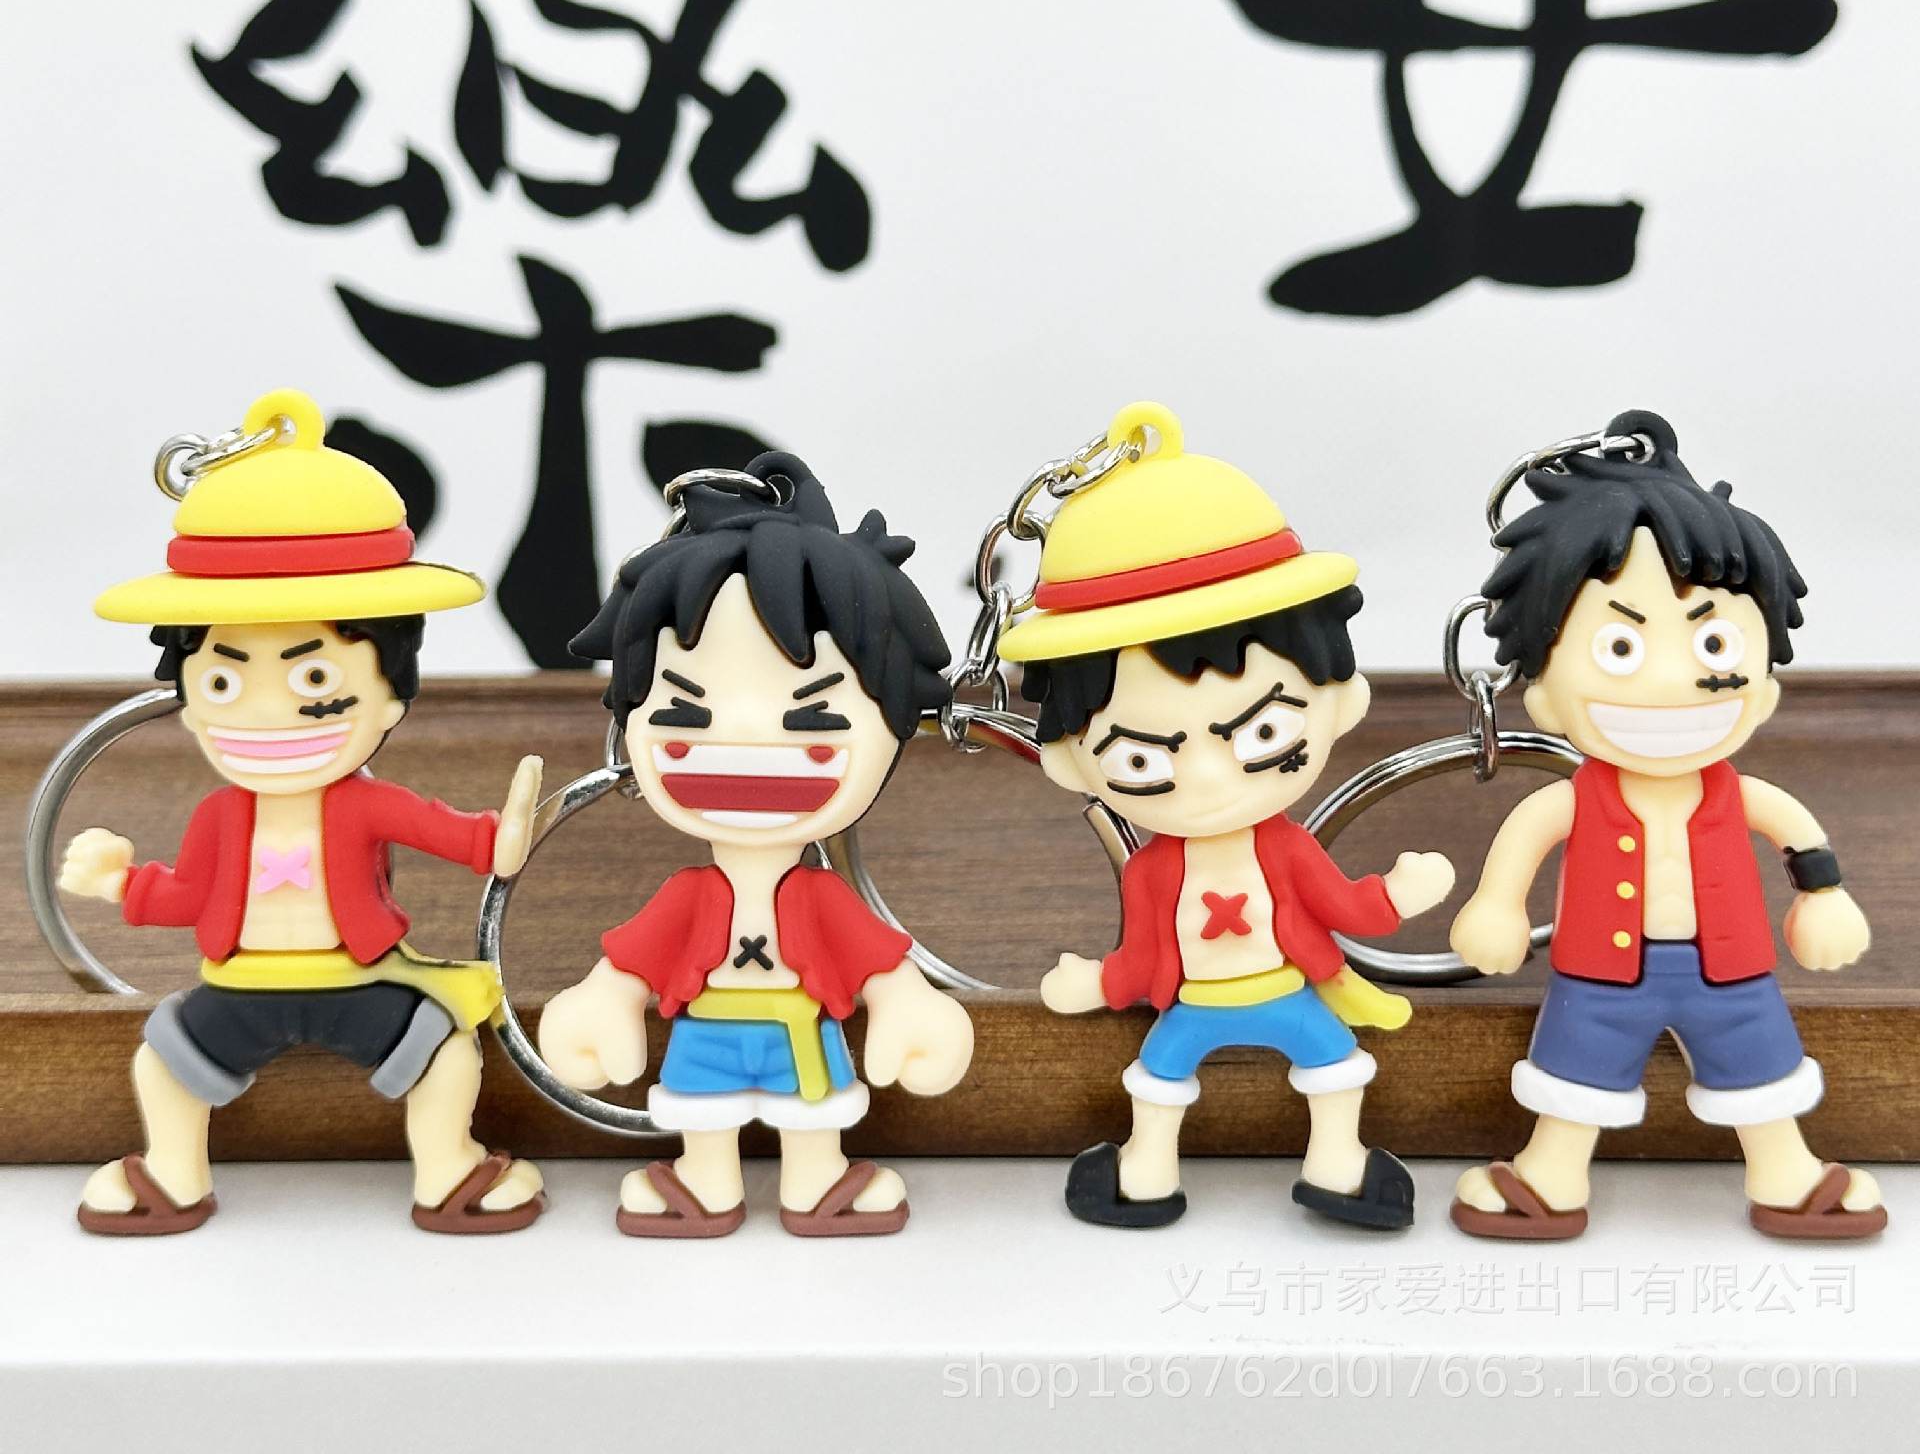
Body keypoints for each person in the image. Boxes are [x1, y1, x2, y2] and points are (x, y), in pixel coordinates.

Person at [61, 389, 546, 1235]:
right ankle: (172, 1174)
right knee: (162, 1063)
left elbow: (447, 833)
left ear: (389, 694)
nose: (263, 713)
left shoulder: (368, 802)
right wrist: (120, 884)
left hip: (358, 981)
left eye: (314, 678)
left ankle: (447, 1172)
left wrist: (501, 840)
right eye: (222, 680)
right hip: (241, 987)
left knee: (444, 1051)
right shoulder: (220, 817)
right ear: (185, 696)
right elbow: (187, 896)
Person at [1008, 402, 1453, 1229]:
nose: (1211, 780)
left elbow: (1341, 905)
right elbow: (1143, 954)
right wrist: (1097, 984)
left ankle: (1338, 1166)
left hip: (1290, 990)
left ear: (1341, 701)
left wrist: (1395, 894)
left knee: (1335, 1068)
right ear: (1072, 760)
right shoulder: (1155, 870)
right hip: (1192, 1003)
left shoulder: (1285, 849)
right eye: (1143, 759)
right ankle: (1147, 1171)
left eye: (1262, 733)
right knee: (1160, 1078)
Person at [1448, 410, 1883, 1239]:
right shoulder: (1574, 798)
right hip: (1598, 973)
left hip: (1732, 970)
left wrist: (1824, 896)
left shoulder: (1740, 791)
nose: (1671, 684)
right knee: (1574, 1073)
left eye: (1713, 643)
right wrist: (1496, 906)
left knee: (1761, 1069)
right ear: (1542, 693)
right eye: (1620, 649)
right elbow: (1524, 842)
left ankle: (1789, 1175)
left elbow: (1799, 837)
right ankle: (1548, 1177)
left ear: (1764, 685)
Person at [537, 452, 974, 1235]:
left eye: (813, 717)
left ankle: (818, 1186)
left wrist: (910, 1007)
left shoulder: (818, 896)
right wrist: (602, 1003)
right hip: (706, 1032)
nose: (741, 734)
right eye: (686, 711)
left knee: (815, 1122)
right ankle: (706, 1187)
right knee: (701, 1118)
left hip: (801, 1031)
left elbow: (879, 965)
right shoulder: (690, 896)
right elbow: (632, 962)